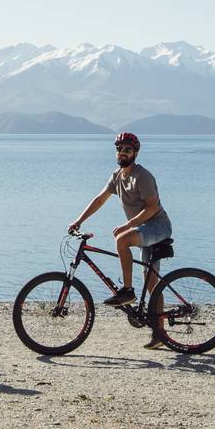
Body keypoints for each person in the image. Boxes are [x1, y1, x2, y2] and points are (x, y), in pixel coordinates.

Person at [67, 131, 174, 349]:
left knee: (122, 240)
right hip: (143, 228)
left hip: (158, 226)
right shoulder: (117, 176)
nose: (122, 152)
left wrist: (127, 225)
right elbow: (99, 200)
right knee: (152, 283)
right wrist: (78, 220)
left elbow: (152, 207)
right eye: (119, 149)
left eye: (127, 149)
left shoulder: (142, 176)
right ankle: (160, 335)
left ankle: (127, 291)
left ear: (135, 153)